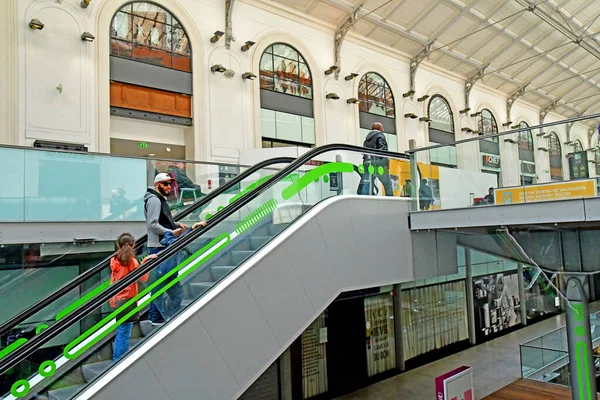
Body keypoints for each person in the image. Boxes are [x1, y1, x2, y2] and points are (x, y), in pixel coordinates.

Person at [144, 173, 188, 324]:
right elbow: (153, 224)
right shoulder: (155, 200)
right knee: (162, 285)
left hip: (162, 245)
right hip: (159, 247)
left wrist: (175, 224)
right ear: (157, 185)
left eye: (170, 184)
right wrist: (170, 231)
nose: (169, 187)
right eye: (166, 184)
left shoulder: (159, 200)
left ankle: (161, 316)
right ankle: (157, 318)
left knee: (165, 284)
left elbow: (162, 220)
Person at [110, 233, 154, 361]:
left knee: (121, 330)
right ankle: (118, 360)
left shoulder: (114, 260)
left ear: (118, 245)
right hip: (127, 300)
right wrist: (146, 262)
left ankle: (117, 358)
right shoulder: (132, 261)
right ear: (133, 244)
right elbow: (143, 278)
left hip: (114, 299)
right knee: (124, 332)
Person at [357, 122, 393, 196]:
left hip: (367, 163)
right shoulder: (380, 135)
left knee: (368, 181)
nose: (383, 129)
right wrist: (386, 163)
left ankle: (364, 197)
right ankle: (390, 199)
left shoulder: (367, 139)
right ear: (379, 128)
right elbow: (382, 151)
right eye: (382, 128)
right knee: (387, 183)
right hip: (378, 164)